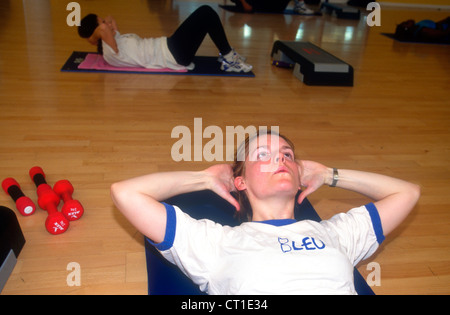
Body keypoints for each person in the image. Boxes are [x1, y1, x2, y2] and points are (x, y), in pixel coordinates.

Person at [111, 130, 420, 294]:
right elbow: (125, 194)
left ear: (300, 176)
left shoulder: (334, 233)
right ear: (240, 181)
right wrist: (205, 178)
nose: (280, 160)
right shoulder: (216, 243)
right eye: (263, 155)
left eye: (288, 155)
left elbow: (407, 193)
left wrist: (329, 174)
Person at [78, 5, 252, 73]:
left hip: (171, 47)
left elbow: (109, 17)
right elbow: (102, 28)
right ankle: (229, 57)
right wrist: (92, 38)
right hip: (172, 53)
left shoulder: (112, 40)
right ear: (97, 32)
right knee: (206, 12)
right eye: (101, 23)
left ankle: (228, 55)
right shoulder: (110, 51)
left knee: (206, 16)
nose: (106, 24)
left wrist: (103, 25)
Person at [230, 0, 314, 15]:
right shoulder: (244, 4)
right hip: (273, 6)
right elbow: (248, 8)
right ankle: (300, 6)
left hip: (271, 5)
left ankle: (299, 5)